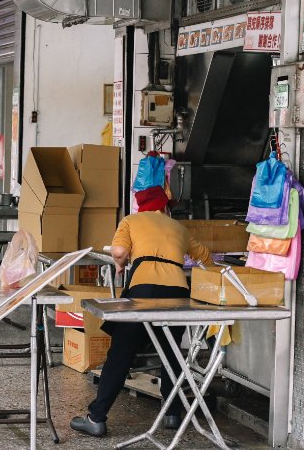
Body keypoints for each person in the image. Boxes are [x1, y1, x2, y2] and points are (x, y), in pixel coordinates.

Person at [70, 185, 212, 436]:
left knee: (121, 353)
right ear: (164, 207)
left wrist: (119, 265)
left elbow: (120, 251)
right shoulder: (178, 227)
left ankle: (97, 418)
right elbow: (206, 259)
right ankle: (172, 413)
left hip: (143, 292)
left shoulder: (130, 221)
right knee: (170, 352)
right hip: (178, 293)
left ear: (141, 206)